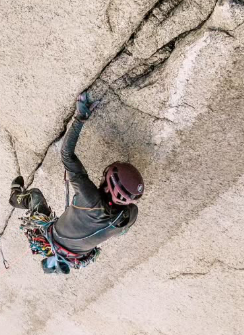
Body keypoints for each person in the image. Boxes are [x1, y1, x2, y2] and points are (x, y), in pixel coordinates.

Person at [9, 92, 144, 274]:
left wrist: (80, 118)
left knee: (34, 196)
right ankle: (55, 261)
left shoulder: (90, 199)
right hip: (76, 254)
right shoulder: (128, 215)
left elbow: (66, 154)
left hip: (56, 237)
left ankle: (14, 196)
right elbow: (122, 228)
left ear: (106, 182)